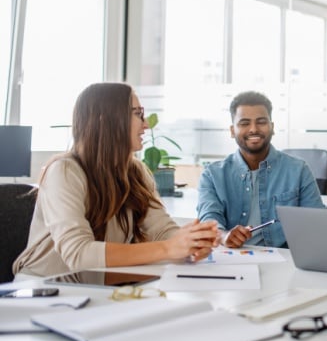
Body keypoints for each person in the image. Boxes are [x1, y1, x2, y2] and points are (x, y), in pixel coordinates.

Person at [13, 83, 219, 277]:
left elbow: (161, 230)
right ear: (106, 119)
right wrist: (169, 248)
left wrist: (191, 243)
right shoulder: (64, 171)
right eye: (138, 114)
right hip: (43, 286)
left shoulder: (135, 171)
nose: (146, 124)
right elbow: (79, 254)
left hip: (95, 283)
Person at [197, 91, 325, 248]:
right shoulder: (212, 175)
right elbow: (208, 219)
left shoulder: (298, 170)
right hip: (232, 257)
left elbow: (317, 223)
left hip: (284, 260)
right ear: (232, 131)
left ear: (272, 127)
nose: (253, 129)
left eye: (261, 122)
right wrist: (224, 236)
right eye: (244, 123)